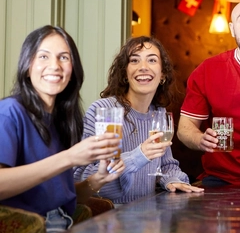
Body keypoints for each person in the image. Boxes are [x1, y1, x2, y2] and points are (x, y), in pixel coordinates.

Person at [0, 25, 125, 233]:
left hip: (63, 224)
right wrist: (69, 158)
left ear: (73, 69)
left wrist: (96, 180)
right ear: (27, 65)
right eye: (43, 57)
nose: (55, 65)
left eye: (64, 57)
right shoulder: (10, 112)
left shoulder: (62, 121)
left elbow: (60, 199)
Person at [74, 36, 204, 205]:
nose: (143, 67)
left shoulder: (158, 114)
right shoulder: (105, 112)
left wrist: (172, 180)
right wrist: (138, 155)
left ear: (163, 74)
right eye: (134, 60)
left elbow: (166, 166)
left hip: (148, 217)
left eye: (152, 60)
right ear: (125, 73)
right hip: (109, 218)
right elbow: (83, 177)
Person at [177, 0, 240, 186]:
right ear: (233, 29)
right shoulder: (208, 71)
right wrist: (201, 139)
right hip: (222, 179)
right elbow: (185, 128)